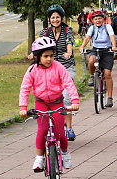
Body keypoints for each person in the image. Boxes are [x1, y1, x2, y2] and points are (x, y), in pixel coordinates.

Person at [19, 37, 79, 172]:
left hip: (57, 102)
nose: (49, 59)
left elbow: (69, 84)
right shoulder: (32, 70)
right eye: (45, 56)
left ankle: (65, 154)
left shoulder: (59, 67)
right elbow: (25, 88)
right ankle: (39, 157)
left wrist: (74, 101)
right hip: (41, 103)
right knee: (42, 130)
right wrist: (23, 108)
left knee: (60, 133)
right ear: (37, 57)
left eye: (51, 56)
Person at [36, 5, 77, 141]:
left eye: (57, 17)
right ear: (49, 19)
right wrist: (32, 54)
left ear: (61, 18)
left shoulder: (67, 30)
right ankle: (54, 125)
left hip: (66, 67)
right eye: (53, 17)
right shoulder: (45, 32)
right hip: (51, 69)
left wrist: (69, 52)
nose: (55, 20)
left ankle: (69, 127)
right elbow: (39, 46)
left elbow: (69, 42)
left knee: (65, 97)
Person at [79, 10, 117, 107]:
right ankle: (92, 76)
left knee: (107, 74)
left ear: (103, 19)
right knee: (91, 60)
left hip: (107, 50)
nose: (98, 21)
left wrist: (114, 46)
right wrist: (82, 46)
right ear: (93, 20)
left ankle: (109, 98)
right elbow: (87, 38)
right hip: (96, 49)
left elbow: (112, 37)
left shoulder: (107, 27)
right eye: (95, 19)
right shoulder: (92, 28)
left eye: (100, 18)